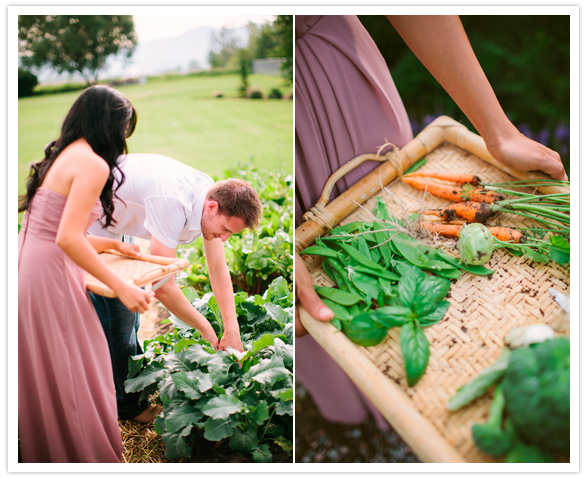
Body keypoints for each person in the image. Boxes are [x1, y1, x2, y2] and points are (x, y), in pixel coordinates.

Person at [294, 15, 568, 429]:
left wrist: (500, 132)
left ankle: (394, 410)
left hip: (332, 75)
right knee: (318, 296)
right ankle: (366, 407)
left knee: (386, 189)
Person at [18, 85, 154, 463]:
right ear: (110, 125)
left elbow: (56, 228)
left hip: (29, 264)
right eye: (125, 128)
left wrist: (112, 245)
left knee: (53, 365)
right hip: (50, 274)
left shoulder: (64, 154)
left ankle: (54, 452)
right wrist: (121, 285)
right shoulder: (93, 164)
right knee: (77, 367)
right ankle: (82, 457)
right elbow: (66, 238)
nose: (124, 139)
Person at [87, 153, 263, 423]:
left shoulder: (209, 198)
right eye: (225, 229)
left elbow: (217, 269)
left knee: (130, 317)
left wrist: (232, 329)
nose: (225, 239)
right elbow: (162, 286)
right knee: (119, 314)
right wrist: (204, 327)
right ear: (212, 207)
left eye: (232, 234)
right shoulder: (173, 202)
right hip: (92, 214)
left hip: (118, 209)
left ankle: (126, 382)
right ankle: (128, 407)